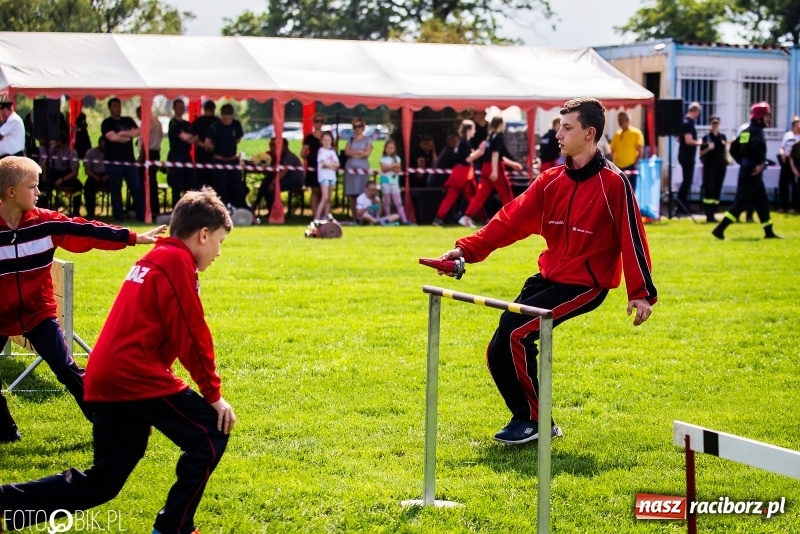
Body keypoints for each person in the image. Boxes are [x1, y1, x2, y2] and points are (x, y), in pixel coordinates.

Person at [0, 188, 235, 534]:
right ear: (202, 234)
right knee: (211, 432)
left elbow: (152, 331)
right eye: (219, 241)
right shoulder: (173, 262)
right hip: (132, 377)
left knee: (103, 482)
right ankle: (175, 526)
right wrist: (213, 395)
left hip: (108, 377)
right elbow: (191, 332)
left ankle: (5, 501)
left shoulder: (156, 258)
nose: (218, 252)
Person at [438, 97, 656, 445]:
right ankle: (536, 420)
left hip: (587, 284)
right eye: (559, 125)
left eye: (566, 127)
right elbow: (508, 220)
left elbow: (633, 238)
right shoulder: (550, 180)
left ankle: (534, 422)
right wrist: (466, 249)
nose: (558, 133)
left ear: (589, 133)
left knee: (514, 330)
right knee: (498, 347)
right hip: (550, 276)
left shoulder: (614, 184)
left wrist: (641, 293)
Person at [0, 156, 165, 442]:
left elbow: (87, 230)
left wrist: (133, 237)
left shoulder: (46, 223)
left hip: (38, 313)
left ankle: (110, 426)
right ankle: (5, 430)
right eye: (33, 187)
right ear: (11, 192)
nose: (39, 193)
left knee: (66, 369)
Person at [712, 102, 781, 240]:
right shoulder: (756, 132)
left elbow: (733, 149)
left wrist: (743, 162)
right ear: (759, 117)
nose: (769, 119)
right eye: (767, 116)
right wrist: (759, 163)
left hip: (748, 168)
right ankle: (719, 229)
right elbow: (756, 148)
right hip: (753, 171)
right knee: (741, 202)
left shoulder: (747, 131)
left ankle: (769, 231)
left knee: (762, 201)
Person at [458, 116, 523, 229]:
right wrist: (494, 171)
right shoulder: (497, 137)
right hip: (495, 167)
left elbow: (497, 155)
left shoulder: (489, 137)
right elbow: (496, 155)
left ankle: (466, 216)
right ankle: (514, 218)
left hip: (485, 167)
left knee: (481, 195)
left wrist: (512, 164)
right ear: (500, 124)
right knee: (506, 193)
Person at [432, 120, 485, 226]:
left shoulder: (461, 142)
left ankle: (438, 218)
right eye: (473, 129)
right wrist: (480, 152)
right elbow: (467, 159)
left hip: (457, 173)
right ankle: (481, 218)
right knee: (474, 196)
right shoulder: (465, 143)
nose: (474, 132)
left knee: (450, 197)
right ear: (469, 130)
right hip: (464, 174)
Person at [101, 97, 144, 221]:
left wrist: (121, 133)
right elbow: (112, 138)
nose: (117, 109)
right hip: (113, 162)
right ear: (110, 108)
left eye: (119, 106)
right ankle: (119, 217)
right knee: (116, 189)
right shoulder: (107, 123)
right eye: (114, 106)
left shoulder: (128, 120)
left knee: (136, 188)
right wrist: (126, 135)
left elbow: (138, 132)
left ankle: (141, 216)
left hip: (130, 161)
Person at [205, 103, 245, 208]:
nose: (227, 120)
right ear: (221, 115)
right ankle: (221, 208)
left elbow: (238, 139)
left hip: (233, 160)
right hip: (219, 160)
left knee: (237, 186)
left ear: (232, 116)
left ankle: (239, 208)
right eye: (225, 118)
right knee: (221, 187)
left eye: (229, 118)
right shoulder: (215, 126)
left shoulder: (236, 125)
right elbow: (207, 142)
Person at [255, 138, 305, 215]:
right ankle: (268, 209)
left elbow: (283, 172)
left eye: (273, 145)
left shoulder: (288, 156)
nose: (271, 147)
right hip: (286, 179)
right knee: (265, 184)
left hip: (295, 181)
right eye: (270, 145)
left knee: (272, 187)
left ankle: (276, 211)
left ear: (283, 146)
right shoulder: (276, 156)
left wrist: (273, 183)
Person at [167, 98, 197, 208]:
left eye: (183, 107)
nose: (181, 109)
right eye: (179, 107)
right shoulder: (173, 123)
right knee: (177, 185)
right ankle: (176, 209)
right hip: (176, 156)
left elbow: (194, 138)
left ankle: (188, 210)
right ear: (174, 108)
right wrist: (190, 137)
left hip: (187, 156)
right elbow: (185, 137)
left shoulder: (187, 124)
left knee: (190, 184)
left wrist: (190, 137)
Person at [698, 116, 729, 223]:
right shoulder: (706, 138)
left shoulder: (722, 137)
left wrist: (728, 159)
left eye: (717, 123)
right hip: (710, 166)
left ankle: (714, 212)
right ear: (710, 124)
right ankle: (708, 214)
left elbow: (725, 151)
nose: (715, 125)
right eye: (713, 123)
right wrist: (708, 148)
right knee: (709, 189)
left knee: (717, 188)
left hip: (721, 166)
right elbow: (701, 153)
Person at [44, 132, 82, 215]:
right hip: (55, 174)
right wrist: (44, 176)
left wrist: (62, 179)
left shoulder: (72, 153)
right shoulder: (52, 150)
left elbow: (74, 172)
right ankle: (44, 210)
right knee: (43, 185)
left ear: (61, 142)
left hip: (67, 176)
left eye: (56, 141)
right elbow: (46, 163)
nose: (54, 144)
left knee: (78, 186)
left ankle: (76, 212)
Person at [136, 105, 164, 218]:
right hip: (155, 153)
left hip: (147, 154)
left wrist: (140, 158)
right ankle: (155, 209)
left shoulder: (147, 122)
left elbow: (144, 142)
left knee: (145, 183)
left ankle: (146, 210)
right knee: (152, 182)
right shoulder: (157, 121)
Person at [676, 102, 702, 214]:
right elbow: (688, 140)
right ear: (695, 111)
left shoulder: (683, 122)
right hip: (687, 156)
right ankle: (682, 205)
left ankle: (682, 204)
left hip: (683, 154)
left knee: (686, 181)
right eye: (698, 112)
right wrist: (700, 143)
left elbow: (678, 138)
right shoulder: (689, 123)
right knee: (687, 181)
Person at [343, 117, 373, 218]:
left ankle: (363, 216)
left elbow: (367, 153)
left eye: (359, 126)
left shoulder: (367, 139)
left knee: (362, 193)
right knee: (353, 195)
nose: (357, 128)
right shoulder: (350, 139)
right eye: (355, 126)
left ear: (363, 127)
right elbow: (347, 152)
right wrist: (360, 152)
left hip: (363, 170)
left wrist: (354, 153)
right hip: (351, 170)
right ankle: (354, 217)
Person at [610, 111, 644, 191]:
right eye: (619, 119)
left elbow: (640, 150)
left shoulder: (636, 133)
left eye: (621, 119)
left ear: (628, 120)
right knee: (618, 191)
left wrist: (635, 163)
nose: (620, 122)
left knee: (630, 191)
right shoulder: (617, 134)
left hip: (630, 166)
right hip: (618, 167)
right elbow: (612, 149)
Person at [379, 139, 409, 224]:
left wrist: (390, 167)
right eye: (388, 148)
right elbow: (384, 169)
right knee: (387, 202)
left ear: (394, 149)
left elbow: (397, 169)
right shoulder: (382, 158)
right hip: (385, 182)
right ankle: (388, 219)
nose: (389, 150)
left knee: (398, 202)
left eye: (391, 148)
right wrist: (392, 166)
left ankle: (404, 220)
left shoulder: (397, 158)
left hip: (394, 182)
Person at [192, 100, 219, 189]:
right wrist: (211, 146)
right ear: (214, 109)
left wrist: (202, 145)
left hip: (200, 154)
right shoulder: (217, 122)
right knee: (213, 182)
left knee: (200, 181)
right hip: (214, 155)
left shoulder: (197, 121)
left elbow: (194, 138)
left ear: (204, 109)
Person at [301, 113, 325, 216]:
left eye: (321, 121)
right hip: (313, 167)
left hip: (325, 167)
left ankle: (323, 214)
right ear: (313, 122)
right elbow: (302, 153)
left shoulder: (327, 136)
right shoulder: (309, 137)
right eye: (316, 121)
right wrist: (310, 158)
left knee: (323, 192)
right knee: (315, 191)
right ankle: (316, 215)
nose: (319, 123)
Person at [777, 116, 800, 213]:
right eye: (797, 123)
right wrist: (782, 153)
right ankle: (784, 206)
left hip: (797, 161)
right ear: (793, 125)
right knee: (783, 184)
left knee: (796, 185)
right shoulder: (788, 135)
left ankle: (795, 207)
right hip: (786, 161)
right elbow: (782, 147)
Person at [315, 131, 339, 221]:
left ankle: (326, 216)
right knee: (324, 197)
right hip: (324, 177)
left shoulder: (332, 152)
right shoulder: (321, 151)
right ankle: (317, 217)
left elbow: (337, 164)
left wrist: (330, 165)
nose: (327, 142)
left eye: (328, 140)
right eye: (325, 140)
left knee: (328, 198)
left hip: (331, 177)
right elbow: (323, 163)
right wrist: (332, 165)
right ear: (321, 141)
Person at [83, 136, 109, 219]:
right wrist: (94, 176)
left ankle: (118, 213)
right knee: (88, 186)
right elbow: (87, 170)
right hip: (94, 175)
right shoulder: (91, 152)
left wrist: (108, 176)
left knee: (116, 184)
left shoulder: (112, 153)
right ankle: (90, 212)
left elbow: (115, 168)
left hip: (107, 176)